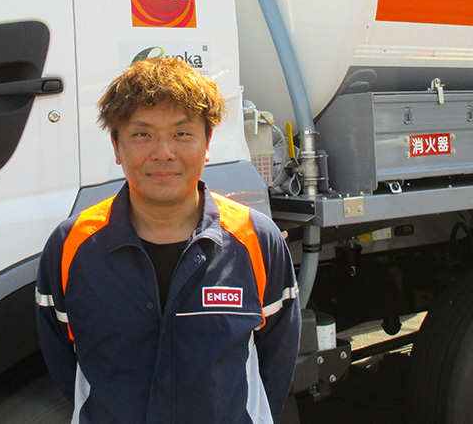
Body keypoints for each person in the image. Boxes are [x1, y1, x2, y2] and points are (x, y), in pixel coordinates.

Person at [36, 57, 300, 423]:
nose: (163, 152)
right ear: (117, 146)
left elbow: (276, 361)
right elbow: (63, 360)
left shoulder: (256, 238)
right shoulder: (71, 246)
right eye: (142, 135)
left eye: (182, 134)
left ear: (207, 143)